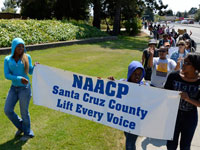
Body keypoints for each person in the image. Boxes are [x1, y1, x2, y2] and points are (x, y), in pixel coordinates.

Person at [4, 38, 38, 141]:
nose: (21, 48)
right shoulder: (7, 59)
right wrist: (19, 79)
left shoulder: (27, 57)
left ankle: (27, 133)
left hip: (25, 89)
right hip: (14, 88)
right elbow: (7, 75)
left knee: (24, 111)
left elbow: (30, 72)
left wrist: (35, 67)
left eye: (22, 46)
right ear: (14, 47)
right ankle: (21, 127)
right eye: (19, 46)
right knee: (8, 110)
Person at [164, 52, 200, 150]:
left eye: (187, 63)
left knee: (185, 146)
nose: (183, 64)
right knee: (171, 146)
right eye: (184, 61)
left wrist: (188, 99)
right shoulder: (173, 76)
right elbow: (164, 94)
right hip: (173, 116)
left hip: (190, 118)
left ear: (195, 66)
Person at [108, 61, 146, 150]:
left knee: (129, 143)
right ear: (130, 73)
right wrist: (110, 82)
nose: (137, 76)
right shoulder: (122, 83)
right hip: (124, 119)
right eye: (135, 74)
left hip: (136, 121)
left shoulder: (144, 86)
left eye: (140, 74)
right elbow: (114, 89)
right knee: (129, 140)